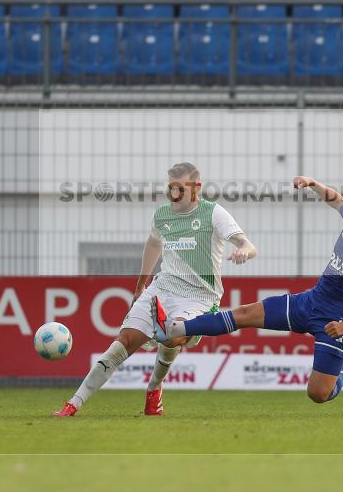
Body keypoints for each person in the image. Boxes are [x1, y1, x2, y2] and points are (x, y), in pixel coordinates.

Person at [154, 179, 343, 404]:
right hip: (311, 301)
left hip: (336, 320)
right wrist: (312, 184)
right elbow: (335, 199)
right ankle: (173, 328)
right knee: (244, 314)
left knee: (318, 394)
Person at [54, 162, 257, 417]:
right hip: (163, 287)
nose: (174, 194)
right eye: (171, 188)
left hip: (199, 297)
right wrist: (141, 285)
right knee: (123, 343)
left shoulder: (214, 213)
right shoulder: (162, 214)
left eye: (180, 189)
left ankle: (154, 388)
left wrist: (243, 251)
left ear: (197, 188)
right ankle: (73, 404)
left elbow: (247, 243)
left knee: (173, 337)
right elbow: (153, 245)